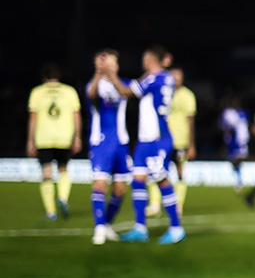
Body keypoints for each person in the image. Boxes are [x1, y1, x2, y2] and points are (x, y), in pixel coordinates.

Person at [99, 45, 185, 244]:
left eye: (146, 58)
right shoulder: (162, 78)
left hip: (157, 138)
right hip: (145, 140)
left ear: (150, 60)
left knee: (161, 179)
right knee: (138, 179)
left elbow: (126, 91)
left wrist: (111, 75)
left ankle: (176, 227)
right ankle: (140, 227)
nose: (143, 60)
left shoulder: (155, 78)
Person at [85, 50, 133, 244]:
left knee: (120, 188)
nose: (110, 66)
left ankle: (106, 224)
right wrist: (98, 73)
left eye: (113, 63)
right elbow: (91, 94)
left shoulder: (124, 84)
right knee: (100, 183)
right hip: (101, 141)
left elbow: (125, 92)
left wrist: (112, 76)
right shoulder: (95, 84)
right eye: (107, 63)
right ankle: (98, 228)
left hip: (121, 141)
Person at [27, 63, 82, 220]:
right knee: (63, 169)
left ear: (44, 77)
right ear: (59, 76)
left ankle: (51, 211)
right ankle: (63, 197)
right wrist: (77, 137)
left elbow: (33, 117)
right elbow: (76, 115)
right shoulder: (69, 91)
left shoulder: (37, 92)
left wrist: (30, 140)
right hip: (64, 137)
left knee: (46, 174)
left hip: (43, 137)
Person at [148, 66, 196, 215]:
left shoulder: (187, 96)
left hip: (180, 140)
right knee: (155, 170)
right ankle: (155, 204)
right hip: (161, 138)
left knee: (180, 172)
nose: (175, 79)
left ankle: (178, 205)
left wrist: (191, 144)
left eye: (178, 76)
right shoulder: (162, 93)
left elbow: (191, 121)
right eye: (173, 76)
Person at [219, 96, 250, 192]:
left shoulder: (243, 113)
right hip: (233, 141)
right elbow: (223, 125)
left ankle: (238, 178)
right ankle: (236, 179)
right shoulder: (228, 113)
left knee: (240, 159)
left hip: (242, 141)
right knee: (235, 159)